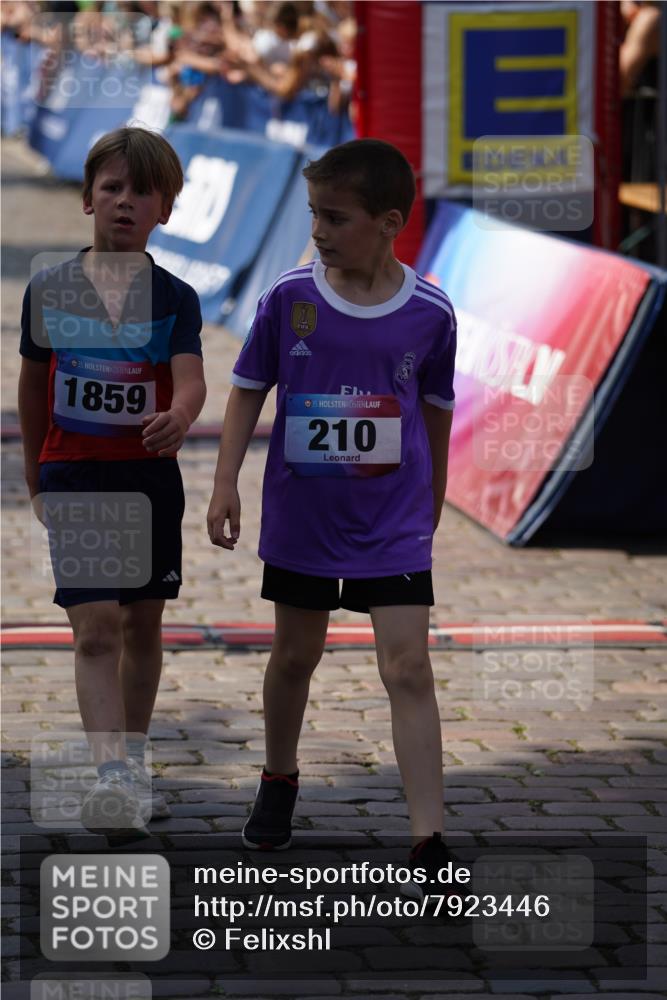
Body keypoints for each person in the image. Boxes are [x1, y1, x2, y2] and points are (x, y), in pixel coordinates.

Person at [207, 138, 456, 892]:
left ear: (387, 222)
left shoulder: (431, 311)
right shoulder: (289, 296)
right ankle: (278, 777)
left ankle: (428, 838)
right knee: (294, 657)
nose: (316, 230)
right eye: (313, 213)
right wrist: (225, 483)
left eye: (333, 218)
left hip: (393, 520)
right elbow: (249, 386)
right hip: (304, 515)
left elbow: (437, 411)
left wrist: (432, 498)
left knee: (407, 666)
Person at [19, 126, 206, 831]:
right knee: (96, 628)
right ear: (88, 199)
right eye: (113, 188)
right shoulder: (51, 289)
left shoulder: (175, 298)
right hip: (75, 476)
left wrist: (180, 415)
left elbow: (190, 380)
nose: (126, 202)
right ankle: (114, 773)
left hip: (149, 481)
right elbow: (33, 390)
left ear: (166, 208)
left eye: (143, 191)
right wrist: (36, 476)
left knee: (141, 626)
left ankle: (133, 751)